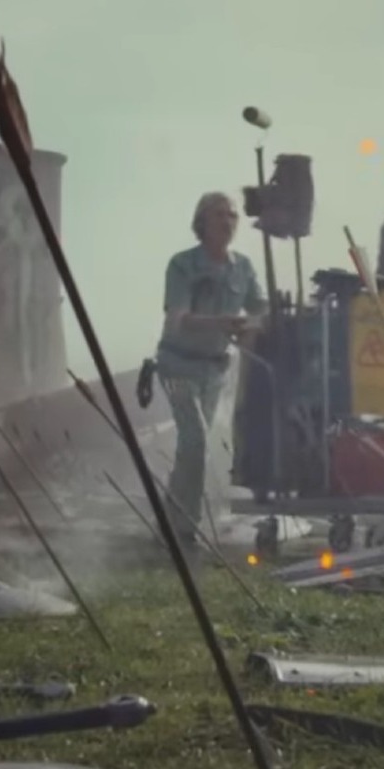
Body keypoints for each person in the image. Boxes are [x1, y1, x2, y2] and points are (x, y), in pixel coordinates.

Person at [156, 191, 268, 544]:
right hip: (178, 364)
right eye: (219, 214)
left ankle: (172, 519)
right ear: (201, 221)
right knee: (197, 441)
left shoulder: (243, 267)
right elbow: (177, 320)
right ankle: (185, 529)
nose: (227, 221)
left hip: (215, 370)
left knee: (190, 448)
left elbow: (262, 310)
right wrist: (222, 322)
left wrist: (256, 324)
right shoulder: (182, 265)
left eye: (232, 215)